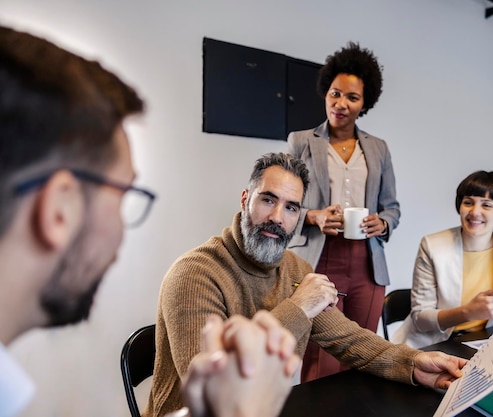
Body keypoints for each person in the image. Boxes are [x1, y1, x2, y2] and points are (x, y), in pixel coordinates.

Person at [0, 25, 297, 417]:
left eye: (292, 207)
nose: (122, 233)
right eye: (123, 195)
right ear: (59, 210)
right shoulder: (196, 271)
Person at [145, 152, 467, 417]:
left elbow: (351, 340)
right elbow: (214, 391)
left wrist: (413, 363)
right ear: (245, 200)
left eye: (291, 207)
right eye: (267, 200)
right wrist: (299, 306)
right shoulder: (194, 274)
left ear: (299, 217)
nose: (277, 217)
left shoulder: (296, 268)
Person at [285, 41, 400, 382]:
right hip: (319, 261)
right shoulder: (301, 142)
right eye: (335, 94)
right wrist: (314, 216)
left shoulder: (378, 149)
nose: (341, 104)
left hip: (367, 264)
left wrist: (383, 222)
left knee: (364, 356)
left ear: (365, 103)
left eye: (352, 97)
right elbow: (285, 203)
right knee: (319, 362)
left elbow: (392, 207)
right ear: (325, 93)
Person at [392, 171, 493, 349]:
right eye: (468, 202)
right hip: (432, 345)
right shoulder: (432, 245)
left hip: (485, 343)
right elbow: (420, 319)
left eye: (486, 205)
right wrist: (469, 312)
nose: (475, 212)